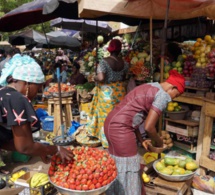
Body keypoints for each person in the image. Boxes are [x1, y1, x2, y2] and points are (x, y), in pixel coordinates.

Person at [104, 70, 185, 195]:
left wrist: (142, 141)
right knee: (130, 168)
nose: (173, 99)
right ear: (172, 87)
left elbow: (133, 118)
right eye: (176, 94)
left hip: (112, 124)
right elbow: (149, 127)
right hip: (121, 128)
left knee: (118, 164)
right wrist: (159, 143)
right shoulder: (163, 95)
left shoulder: (150, 86)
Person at [0, 54, 73, 164]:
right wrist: (56, 149)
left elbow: (5, 142)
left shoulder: (3, 93)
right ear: (27, 83)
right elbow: (24, 147)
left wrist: (40, 151)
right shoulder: (18, 99)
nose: (38, 93)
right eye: (38, 88)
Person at [87, 39, 129, 148]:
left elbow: (101, 78)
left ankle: (107, 141)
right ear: (120, 49)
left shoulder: (104, 61)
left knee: (106, 116)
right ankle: (118, 138)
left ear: (110, 49)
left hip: (107, 93)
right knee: (118, 115)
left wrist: (93, 78)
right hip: (120, 91)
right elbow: (124, 77)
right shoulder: (124, 63)